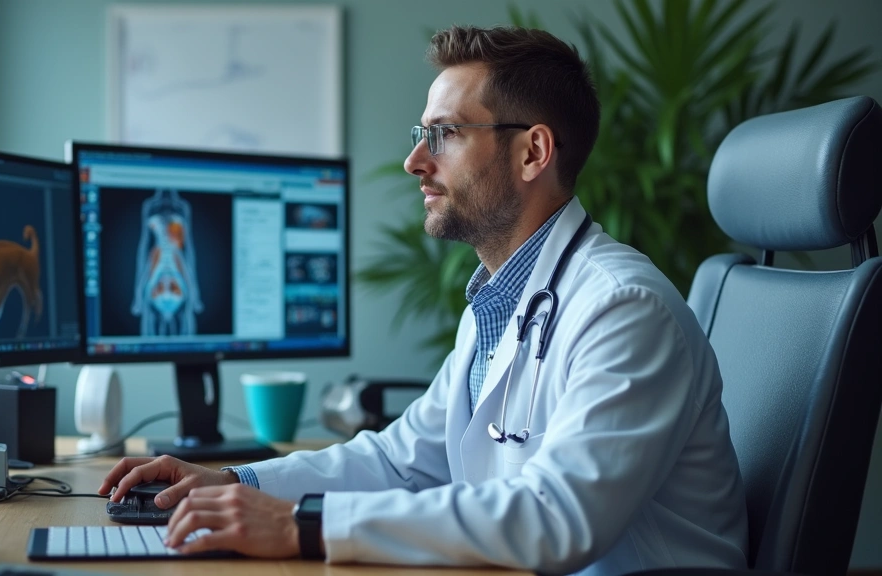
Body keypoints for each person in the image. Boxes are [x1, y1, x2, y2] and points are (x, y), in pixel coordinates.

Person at [99, 25, 749, 574]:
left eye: (444, 134)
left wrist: (302, 525)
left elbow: (558, 517)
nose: (415, 160)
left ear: (532, 152)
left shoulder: (624, 309)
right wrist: (239, 484)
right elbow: (403, 457)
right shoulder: (498, 304)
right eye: (422, 133)